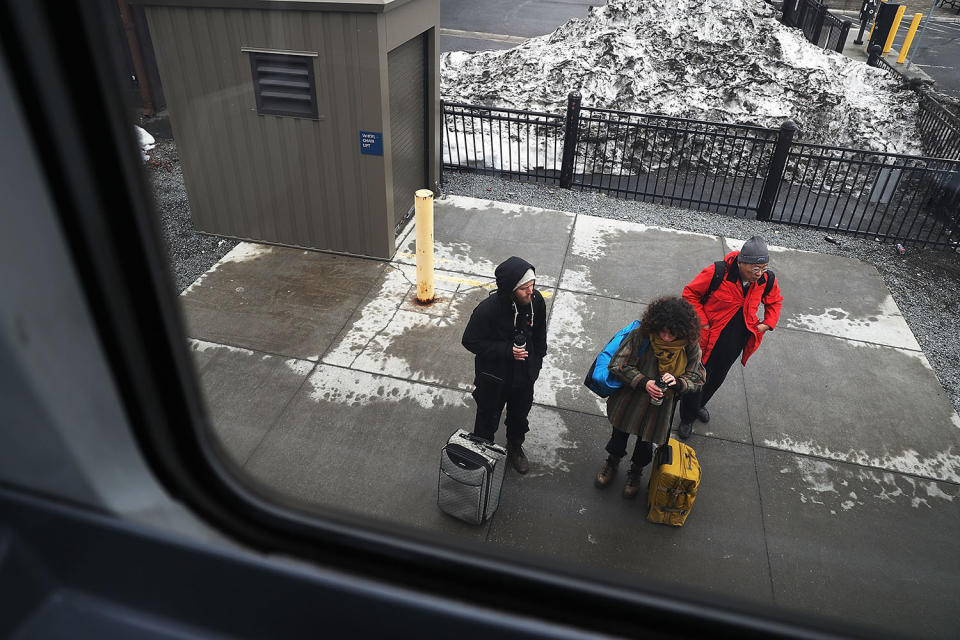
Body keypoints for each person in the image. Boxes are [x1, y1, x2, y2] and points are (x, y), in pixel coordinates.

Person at [595, 296, 705, 498]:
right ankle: (612, 462)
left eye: (672, 333)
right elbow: (618, 364)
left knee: (645, 444)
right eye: (662, 330)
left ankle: (636, 472)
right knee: (619, 435)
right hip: (630, 401)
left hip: (659, 409)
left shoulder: (689, 346)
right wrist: (645, 382)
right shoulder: (641, 336)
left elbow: (697, 376)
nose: (665, 337)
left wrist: (678, 383)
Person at [677, 235, 783, 439]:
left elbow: (774, 301)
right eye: (755, 268)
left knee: (717, 377)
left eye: (763, 268)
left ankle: (700, 405)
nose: (759, 273)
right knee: (698, 376)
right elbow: (690, 294)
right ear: (741, 262)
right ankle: (687, 417)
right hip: (708, 337)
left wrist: (768, 322)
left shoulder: (766, 280)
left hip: (736, 339)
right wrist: (703, 321)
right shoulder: (718, 272)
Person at [462, 256, 547, 474]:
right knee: (486, 420)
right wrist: (506, 350)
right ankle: (481, 454)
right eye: (524, 288)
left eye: (532, 285)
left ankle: (515, 447)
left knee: (519, 417)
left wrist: (534, 367)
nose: (531, 291)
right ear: (510, 290)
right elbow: (470, 341)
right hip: (493, 380)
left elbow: (539, 337)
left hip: (524, 379)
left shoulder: (536, 302)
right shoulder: (487, 310)